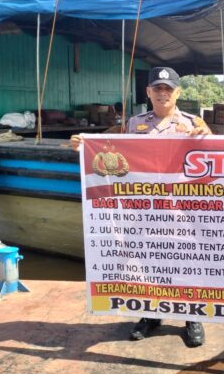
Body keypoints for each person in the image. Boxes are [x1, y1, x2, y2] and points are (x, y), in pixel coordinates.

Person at [72, 66, 211, 347]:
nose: (163, 93)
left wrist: (206, 138)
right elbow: (110, 149)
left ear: (177, 93)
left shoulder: (194, 124)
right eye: (157, 88)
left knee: (185, 261)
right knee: (147, 261)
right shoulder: (134, 124)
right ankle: (151, 313)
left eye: (168, 89)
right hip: (142, 209)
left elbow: (216, 158)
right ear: (148, 92)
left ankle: (191, 317)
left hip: (180, 209)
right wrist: (84, 144)